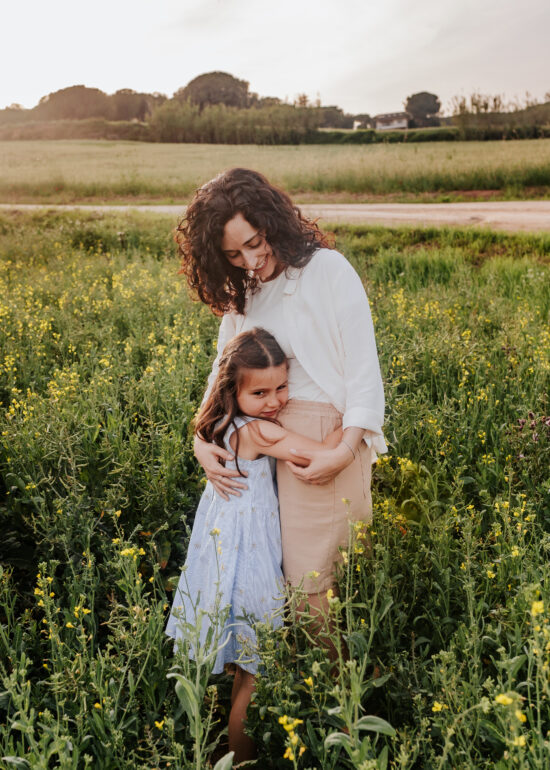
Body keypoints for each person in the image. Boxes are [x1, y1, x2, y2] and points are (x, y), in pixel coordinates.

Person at [177, 166, 386, 631]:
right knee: (264, 580)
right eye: (233, 254)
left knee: (310, 582)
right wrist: (200, 440)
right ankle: (298, 689)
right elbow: (221, 371)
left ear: (273, 222)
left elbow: (364, 373)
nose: (249, 261)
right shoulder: (244, 291)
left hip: (321, 440)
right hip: (258, 444)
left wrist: (344, 451)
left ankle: (332, 692)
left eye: (255, 243)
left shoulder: (327, 270)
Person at [166, 327, 343, 764]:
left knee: (242, 671)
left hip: (222, 559)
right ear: (233, 391)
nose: (275, 400)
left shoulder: (217, 425)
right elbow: (314, 453)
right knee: (253, 675)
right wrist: (350, 429)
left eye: (282, 386)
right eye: (260, 392)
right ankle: (239, 762)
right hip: (250, 563)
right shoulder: (259, 433)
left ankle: (221, 752)